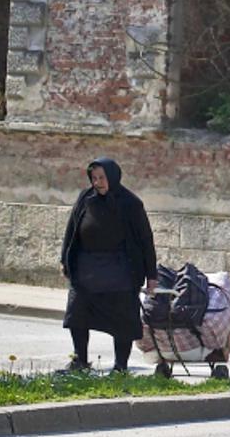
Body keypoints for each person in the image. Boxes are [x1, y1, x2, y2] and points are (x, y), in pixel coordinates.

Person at [59, 157, 157, 373]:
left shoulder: (131, 203)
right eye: (94, 178)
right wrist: (65, 260)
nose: (97, 183)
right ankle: (80, 361)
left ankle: (120, 367)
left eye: (102, 178)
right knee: (77, 315)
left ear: (113, 177)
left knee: (122, 320)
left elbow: (145, 240)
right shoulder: (85, 198)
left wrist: (152, 275)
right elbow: (72, 229)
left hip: (120, 271)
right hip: (86, 268)